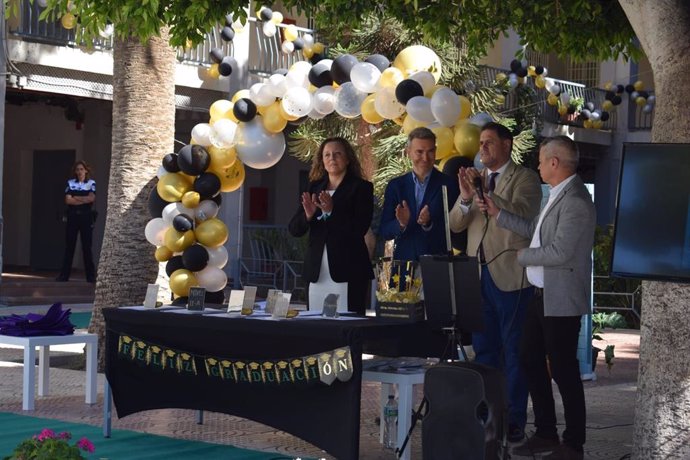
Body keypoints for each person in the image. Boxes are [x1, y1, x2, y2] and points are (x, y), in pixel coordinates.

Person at [481, 136, 595, 460]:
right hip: (540, 296)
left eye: (543, 160)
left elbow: (559, 251)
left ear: (555, 163)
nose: (539, 166)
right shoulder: (557, 195)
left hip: (561, 300)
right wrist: (498, 213)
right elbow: (534, 228)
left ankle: (574, 444)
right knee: (529, 358)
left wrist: (522, 256)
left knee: (563, 371)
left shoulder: (575, 201)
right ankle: (546, 431)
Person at [448, 122, 542, 442]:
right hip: (478, 276)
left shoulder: (525, 178)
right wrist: (464, 198)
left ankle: (514, 418)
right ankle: (487, 414)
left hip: (513, 278)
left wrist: (492, 200)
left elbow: (527, 218)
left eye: (489, 142)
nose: (482, 147)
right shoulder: (477, 181)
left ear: (507, 144)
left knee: (515, 351)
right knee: (484, 350)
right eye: (480, 143)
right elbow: (455, 223)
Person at [288, 137, 374, 315]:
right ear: (322, 161)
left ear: (348, 158)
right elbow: (294, 229)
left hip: (349, 270)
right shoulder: (314, 188)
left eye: (337, 154)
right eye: (327, 155)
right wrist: (309, 215)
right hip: (317, 271)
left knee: (346, 327)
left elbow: (360, 229)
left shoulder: (361, 188)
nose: (332, 158)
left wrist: (331, 212)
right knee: (316, 326)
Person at [380, 127, 459, 262]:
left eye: (430, 151)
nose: (425, 157)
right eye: (419, 152)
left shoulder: (448, 184)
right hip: (405, 264)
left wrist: (428, 223)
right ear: (408, 152)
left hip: (438, 263)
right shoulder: (396, 186)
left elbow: (456, 228)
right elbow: (384, 231)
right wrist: (401, 224)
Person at [56, 160, 97, 283]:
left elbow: (91, 199)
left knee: (86, 247)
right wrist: (82, 198)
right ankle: (64, 276)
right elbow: (68, 200)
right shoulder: (70, 183)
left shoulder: (91, 183)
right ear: (75, 171)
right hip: (73, 216)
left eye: (81, 169)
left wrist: (76, 197)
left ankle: (90, 277)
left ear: (86, 170)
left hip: (86, 216)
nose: (79, 171)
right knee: (70, 246)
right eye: (77, 169)